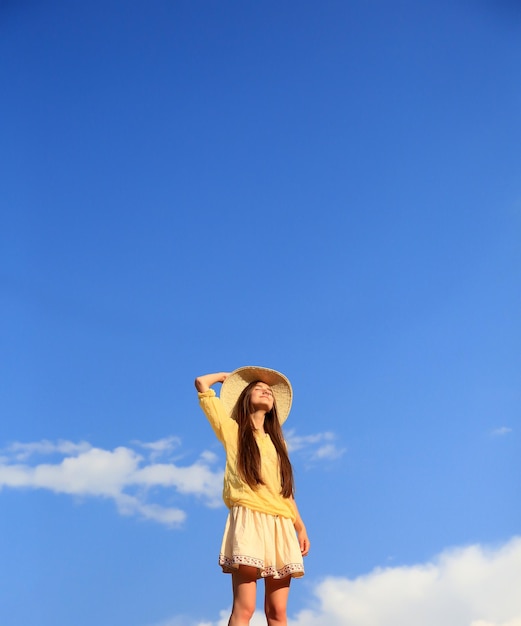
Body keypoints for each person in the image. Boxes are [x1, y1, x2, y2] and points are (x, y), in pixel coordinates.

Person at [195, 366, 310, 626]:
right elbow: (202, 384)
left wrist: (300, 527)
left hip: (281, 524)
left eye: (269, 390)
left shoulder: (278, 443)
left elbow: (285, 491)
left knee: (278, 613)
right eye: (258, 388)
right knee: (244, 608)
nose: (266, 391)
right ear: (245, 397)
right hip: (249, 518)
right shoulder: (233, 430)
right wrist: (227, 378)